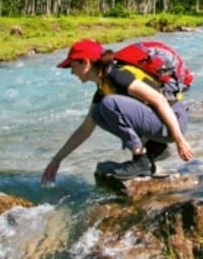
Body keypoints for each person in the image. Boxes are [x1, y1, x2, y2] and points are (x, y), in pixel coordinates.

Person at [42, 39, 194, 184]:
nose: (72, 72)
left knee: (109, 104)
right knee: (97, 113)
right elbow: (84, 130)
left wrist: (180, 140)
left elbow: (159, 100)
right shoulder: (103, 88)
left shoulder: (117, 75)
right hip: (162, 125)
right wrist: (57, 160)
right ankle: (155, 150)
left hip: (173, 122)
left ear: (86, 63)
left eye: (72, 66)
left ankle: (141, 159)